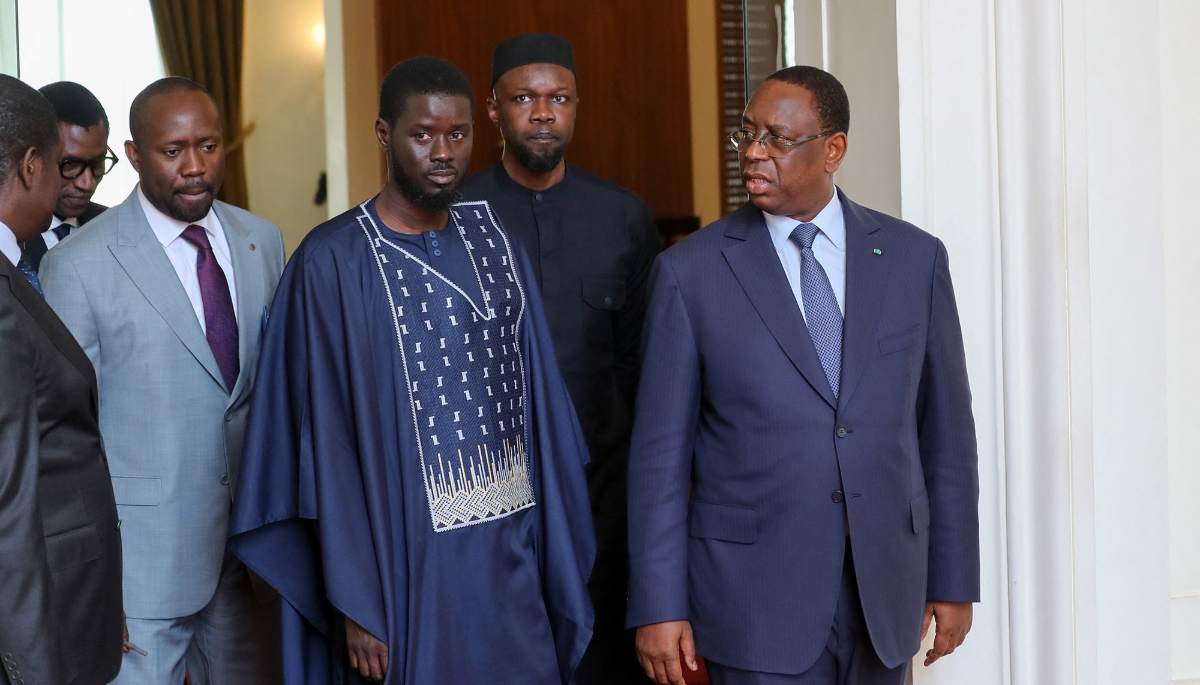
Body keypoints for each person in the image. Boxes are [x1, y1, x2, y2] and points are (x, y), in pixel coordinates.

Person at [228, 56, 596, 685]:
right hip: (406, 572)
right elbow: (324, 448)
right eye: (422, 135)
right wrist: (357, 600)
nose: (443, 152)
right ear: (384, 135)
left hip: (515, 555)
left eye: (457, 135)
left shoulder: (494, 236)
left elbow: (544, 409)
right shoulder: (332, 262)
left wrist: (554, 555)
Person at [627, 66, 980, 685]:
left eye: (778, 139)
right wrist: (658, 605)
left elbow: (946, 433)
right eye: (747, 135)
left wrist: (953, 579)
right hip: (752, 600)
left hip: (884, 594)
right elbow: (659, 459)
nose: (755, 153)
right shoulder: (689, 274)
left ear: (832, 150)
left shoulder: (913, 259)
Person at [39, 76, 286, 685]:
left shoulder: (263, 240)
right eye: (174, 152)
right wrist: (93, 577)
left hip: (249, 553)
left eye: (208, 146)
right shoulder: (78, 264)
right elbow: (69, 437)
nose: (195, 166)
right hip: (140, 569)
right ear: (133, 155)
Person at [461, 34, 660, 684]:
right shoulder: (453, 216)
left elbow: (643, 365)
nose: (543, 113)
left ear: (576, 106)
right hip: (484, 498)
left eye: (558, 98)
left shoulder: (624, 217)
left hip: (601, 500)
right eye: (524, 98)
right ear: (493, 109)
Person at [0, 73, 123, 685]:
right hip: (42, 618)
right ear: (30, 165)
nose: (75, 184)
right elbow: (8, 501)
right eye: (58, 165)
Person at [22, 81, 115, 271]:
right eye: (70, 165)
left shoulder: (116, 227)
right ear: (31, 160)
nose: (87, 183)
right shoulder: (11, 237)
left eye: (97, 163)